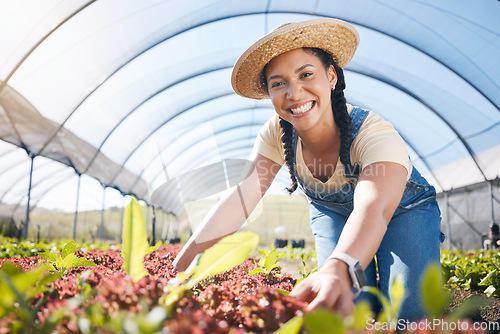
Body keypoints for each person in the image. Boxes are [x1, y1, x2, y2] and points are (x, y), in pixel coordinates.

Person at [173, 18, 444, 321]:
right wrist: (181, 267)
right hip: (334, 213)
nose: (294, 92)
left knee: (412, 315)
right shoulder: (275, 134)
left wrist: (340, 266)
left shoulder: (372, 132)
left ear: (330, 77)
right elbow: (240, 199)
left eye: (306, 74)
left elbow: (374, 208)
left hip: (403, 210)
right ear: (269, 93)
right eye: (279, 83)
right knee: (346, 312)